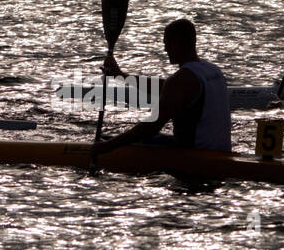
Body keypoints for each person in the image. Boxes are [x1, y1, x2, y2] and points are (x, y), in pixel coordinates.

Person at [90, 18, 232, 154]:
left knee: (111, 139)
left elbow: (152, 126)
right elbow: (164, 87)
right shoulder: (213, 70)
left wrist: (108, 146)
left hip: (195, 154)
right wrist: (120, 75)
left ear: (178, 43)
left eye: (167, 44)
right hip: (221, 150)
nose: (165, 50)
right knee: (116, 138)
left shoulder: (181, 80)